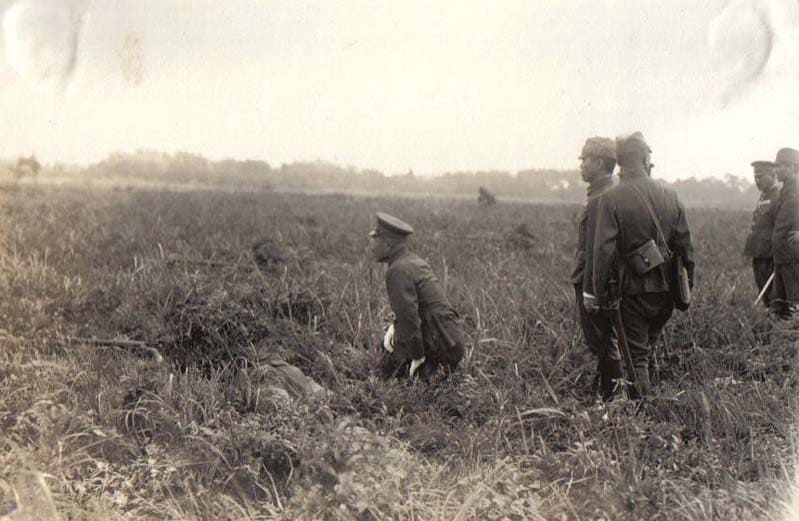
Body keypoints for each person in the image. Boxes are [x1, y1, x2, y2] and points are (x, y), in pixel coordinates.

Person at [586, 132, 694, 397]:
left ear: (621, 162)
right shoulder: (671, 194)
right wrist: (685, 286)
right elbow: (686, 248)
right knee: (648, 348)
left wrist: (598, 294)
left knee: (636, 359)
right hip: (668, 291)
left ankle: (645, 419)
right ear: (645, 158)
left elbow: (603, 251)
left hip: (632, 293)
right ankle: (655, 408)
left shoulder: (612, 198)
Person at [369, 212, 465, 380]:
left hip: (441, 347)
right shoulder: (412, 261)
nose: (372, 246)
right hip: (451, 341)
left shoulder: (397, 270)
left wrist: (416, 357)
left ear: (388, 243)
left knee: (392, 374)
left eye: (375, 240)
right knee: (389, 342)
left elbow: (409, 318)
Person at [571, 137, 622, 401]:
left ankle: (610, 397)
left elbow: (596, 251)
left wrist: (591, 291)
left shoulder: (600, 200)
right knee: (603, 341)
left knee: (603, 341)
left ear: (601, 163)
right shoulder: (604, 195)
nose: (581, 165)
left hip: (593, 282)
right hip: (597, 280)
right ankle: (607, 391)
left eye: (585, 160)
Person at [743, 160, 780, 308]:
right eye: (755, 177)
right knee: (764, 294)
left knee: (773, 295)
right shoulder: (764, 196)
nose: (757, 181)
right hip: (759, 254)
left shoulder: (779, 196)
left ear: (772, 175)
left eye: (760, 176)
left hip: (770, 255)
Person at [769, 147, 799, 318]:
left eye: (781, 166)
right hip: (781, 255)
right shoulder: (786, 189)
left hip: (793, 256)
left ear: (793, 167)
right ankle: (779, 342)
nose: (776, 170)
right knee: (779, 306)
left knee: (795, 305)